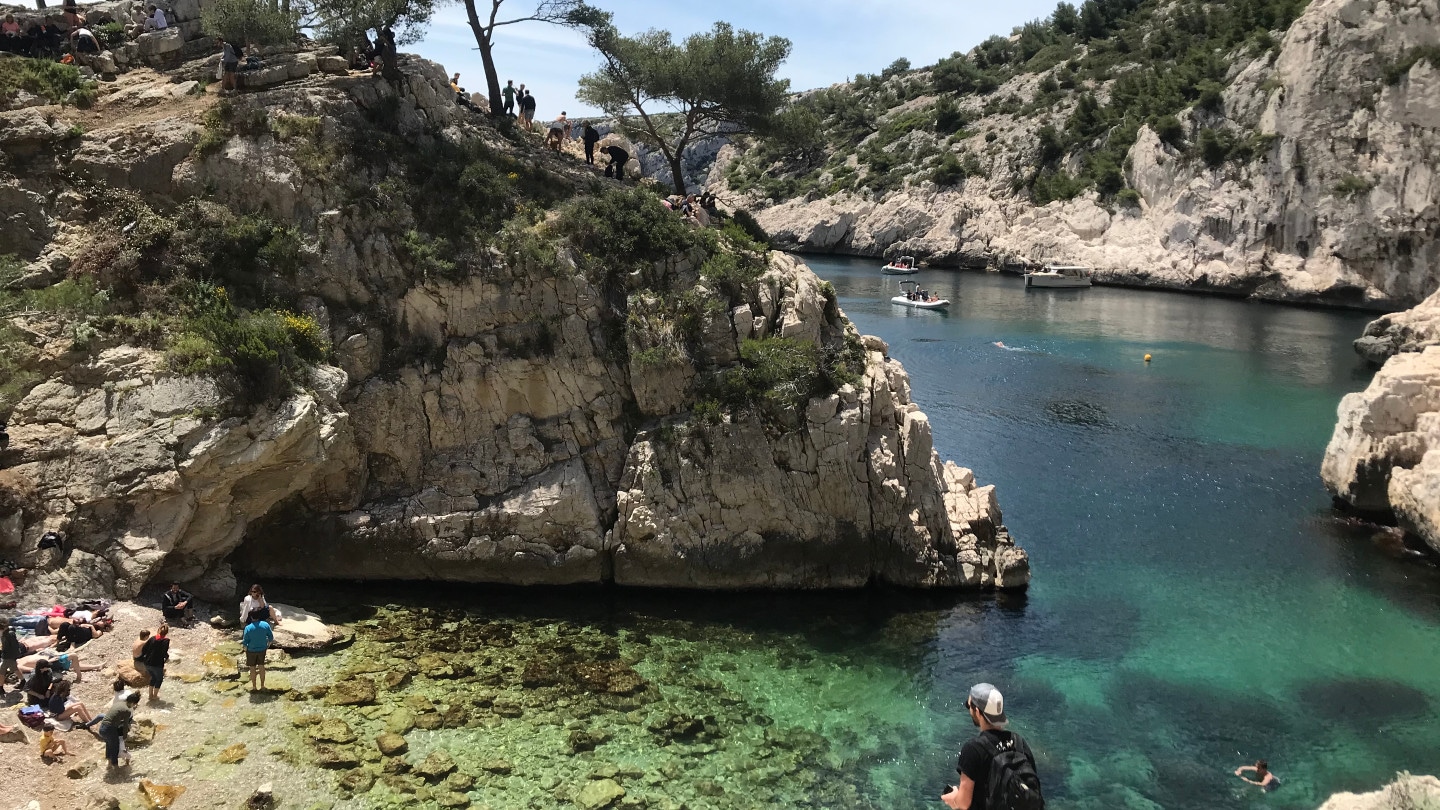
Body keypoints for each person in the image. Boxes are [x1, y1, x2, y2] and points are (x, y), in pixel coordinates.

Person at [942, 682, 1043, 810]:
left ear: (977, 711)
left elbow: (963, 804)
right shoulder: (1020, 743)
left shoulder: (973, 749)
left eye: (969, 706)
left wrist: (954, 798)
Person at [97, 692, 140, 770]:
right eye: (135, 704)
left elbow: (113, 717)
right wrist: (125, 737)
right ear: (134, 703)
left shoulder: (118, 704)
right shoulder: (127, 710)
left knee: (109, 745)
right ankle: (116, 768)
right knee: (115, 748)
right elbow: (125, 726)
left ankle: (109, 765)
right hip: (109, 729)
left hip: (102, 728)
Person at [138, 623, 170, 702]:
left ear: (159, 630)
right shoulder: (166, 641)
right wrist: (167, 657)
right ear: (166, 632)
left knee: (153, 678)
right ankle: (155, 696)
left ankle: (150, 695)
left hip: (147, 663)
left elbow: (144, 649)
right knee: (159, 679)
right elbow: (163, 653)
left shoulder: (152, 638)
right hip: (157, 664)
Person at [242, 616, 273, 691]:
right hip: (262, 649)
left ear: (251, 617)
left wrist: (245, 648)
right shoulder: (265, 624)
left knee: (252, 668)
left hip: (251, 650)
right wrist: (268, 643)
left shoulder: (248, 628)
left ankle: (254, 687)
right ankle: (262, 686)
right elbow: (270, 636)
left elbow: (245, 641)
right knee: (261, 666)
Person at [1, 626, 21, 695]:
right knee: (15, 669)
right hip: (7, 656)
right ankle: (23, 681)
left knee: (2, 671)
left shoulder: (9, 635)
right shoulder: (4, 635)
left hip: (9, 657)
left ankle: (0, 687)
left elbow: (14, 647)